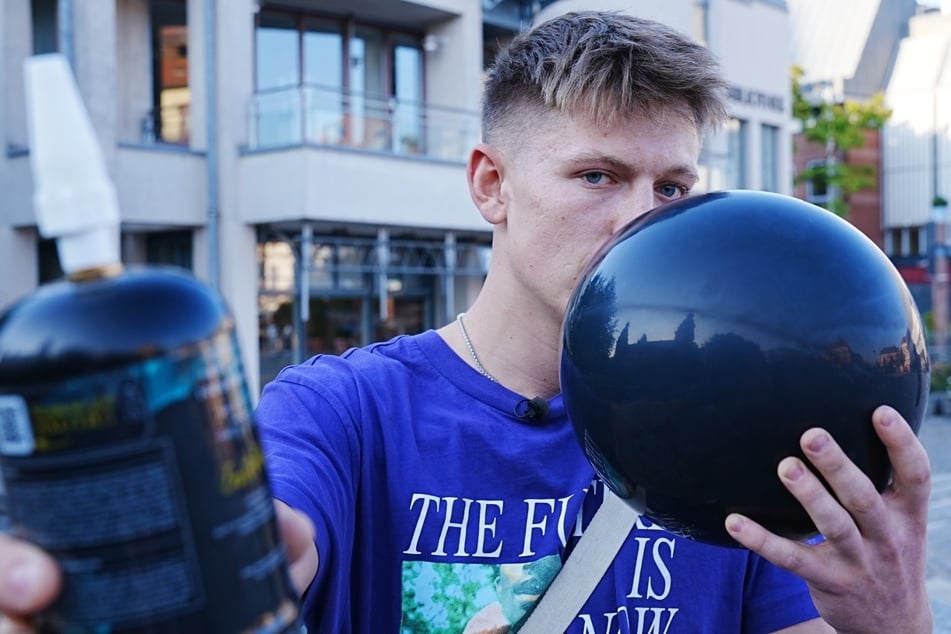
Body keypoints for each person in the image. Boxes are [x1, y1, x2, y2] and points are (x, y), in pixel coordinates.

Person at [0, 10, 933, 634]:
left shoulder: (740, 433)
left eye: (674, 186)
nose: (644, 217)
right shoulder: (343, 413)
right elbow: (276, 533)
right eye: (597, 176)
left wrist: (893, 617)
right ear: (491, 184)